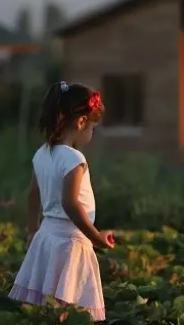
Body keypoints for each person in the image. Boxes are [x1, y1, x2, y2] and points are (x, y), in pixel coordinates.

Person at [9, 80, 115, 322]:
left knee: (47, 308)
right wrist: (95, 236)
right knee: (69, 308)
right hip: (70, 243)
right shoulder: (74, 158)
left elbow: (33, 195)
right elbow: (70, 203)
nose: (91, 133)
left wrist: (32, 231)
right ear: (81, 122)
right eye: (92, 128)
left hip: (46, 236)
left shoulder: (42, 153)